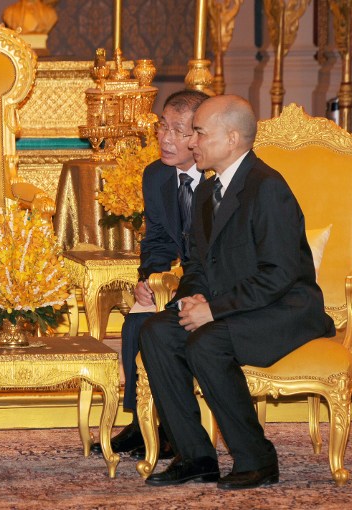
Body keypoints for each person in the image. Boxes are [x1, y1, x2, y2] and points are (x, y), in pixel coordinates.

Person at [139, 95, 336, 489]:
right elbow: (197, 264)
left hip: (284, 310)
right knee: (157, 332)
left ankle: (258, 459)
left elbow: (279, 275)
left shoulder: (267, 188)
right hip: (235, 307)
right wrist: (190, 300)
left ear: (231, 139)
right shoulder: (207, 192)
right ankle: (195, 456)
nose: (192, 142)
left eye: (199, 132)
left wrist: (212, 310)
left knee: (207, 343)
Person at [90, 89, 208, 460]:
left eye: (177, 130)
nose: (165, 138)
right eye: (162, 127)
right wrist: (149, 280)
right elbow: (157, 238)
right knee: (135, 322)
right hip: (172, 280)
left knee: (156, 328)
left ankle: (172, 428)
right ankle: (144, 423)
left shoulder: (218, 176)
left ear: (199, 136)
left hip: (209, 285)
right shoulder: (156, 175)